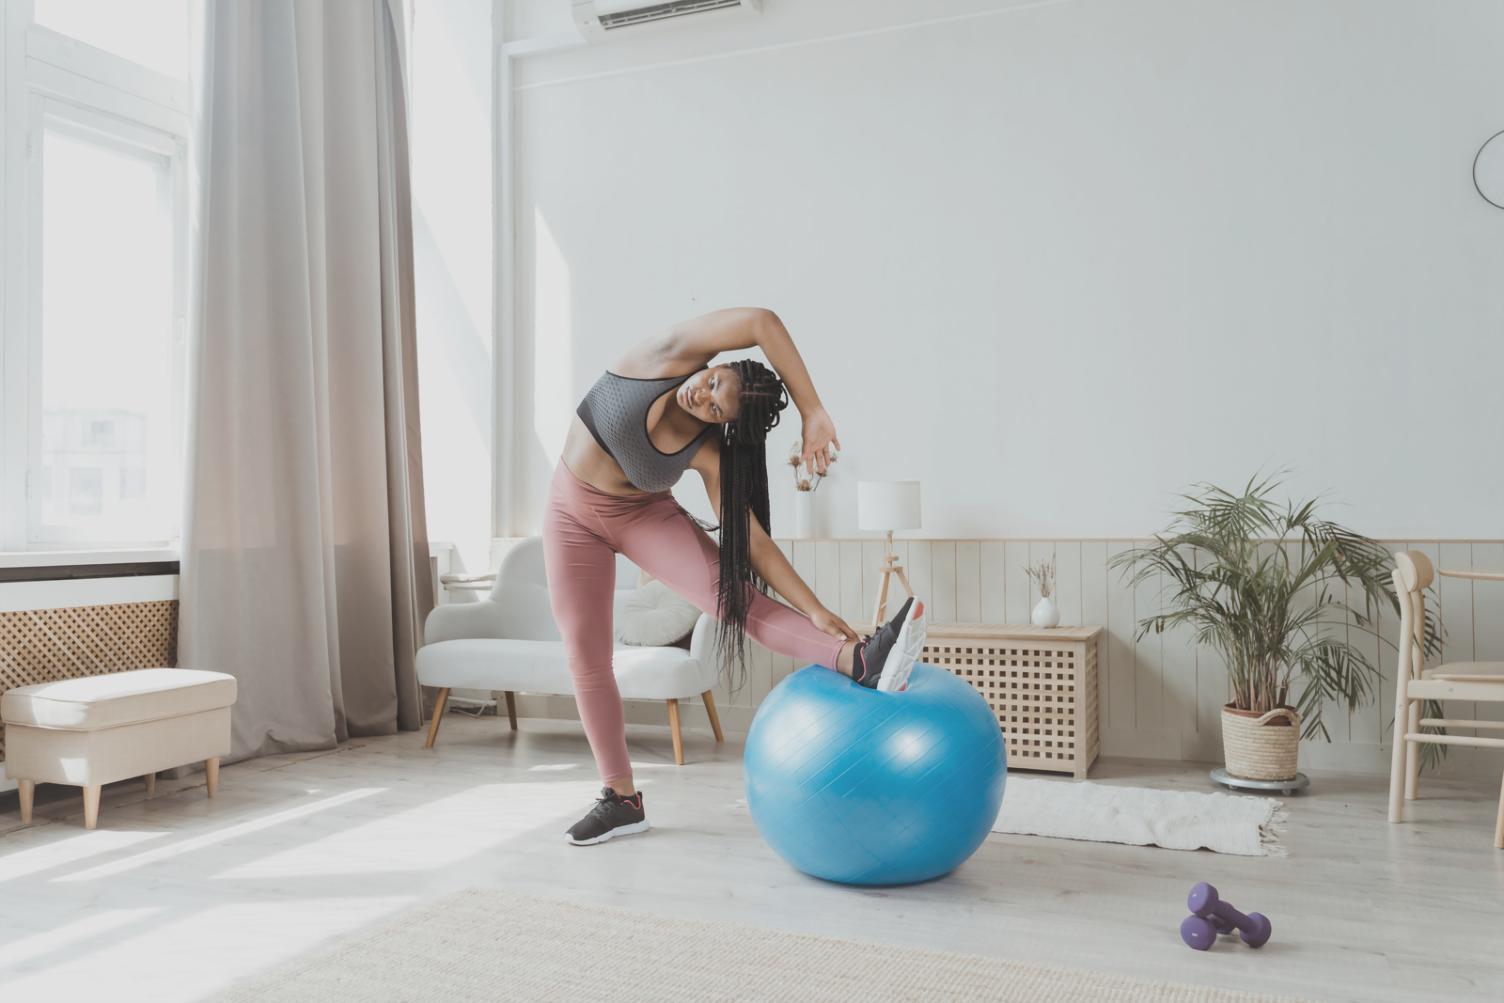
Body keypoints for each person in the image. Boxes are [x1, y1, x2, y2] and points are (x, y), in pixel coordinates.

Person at [545, 307, 926, 846]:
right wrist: (812, 411)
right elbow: (761, 321)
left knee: (736, 600)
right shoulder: (665, 357)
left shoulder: (708, 450)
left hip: (642, 517)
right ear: (717, 365)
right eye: (713, 382)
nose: (701, 395)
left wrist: (814, 606)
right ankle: (622, 799)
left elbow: (753, 547)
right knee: (584, 655)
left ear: (721, 425)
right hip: (570, 513)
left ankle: (861, 659)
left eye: (713, 407)